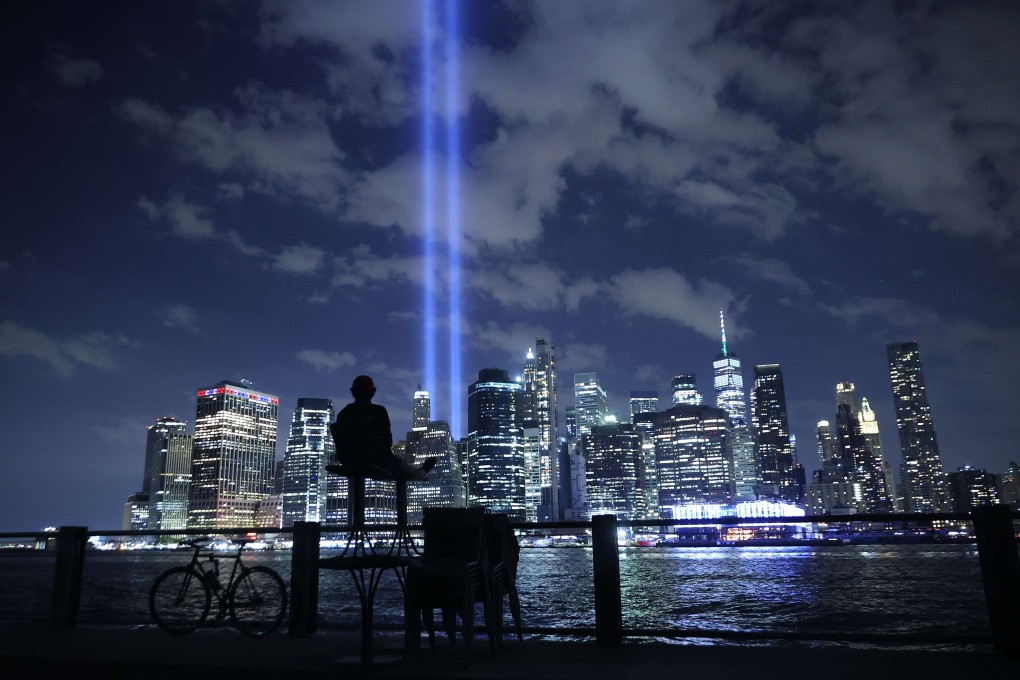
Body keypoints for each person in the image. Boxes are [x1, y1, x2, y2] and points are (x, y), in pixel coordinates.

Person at [327, 375, 436, 480]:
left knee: (395, 462)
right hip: (373, 462)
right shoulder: (378, 412)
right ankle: (420, 472)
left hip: (348, 462)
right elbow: (387, 441)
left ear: (352, 391)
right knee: (398, 463)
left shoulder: (344, 413)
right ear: (373, 392)